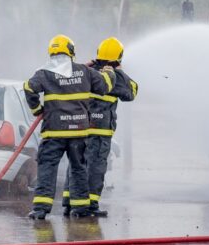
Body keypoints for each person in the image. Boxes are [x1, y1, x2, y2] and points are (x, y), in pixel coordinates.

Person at [24, 34, 116, 220]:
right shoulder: (84, 71)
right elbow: (105, 86)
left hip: (53, 132)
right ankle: (80, 208)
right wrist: (110, 72)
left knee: (47, 168)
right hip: (78, 132)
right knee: (78, 168)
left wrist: (37, 110)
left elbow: (28, 88)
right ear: (71, 51)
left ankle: (41, 209)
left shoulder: (44, 73)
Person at [62, 36, 138, 217]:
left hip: (79, 129)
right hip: (99, 132)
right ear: (119, 56)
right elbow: (132, 91)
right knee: (95, 168)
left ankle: (69, 202)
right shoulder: (115, 76)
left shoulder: (86, 72)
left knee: (76, 165)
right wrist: (120, 71)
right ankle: (90, 206)